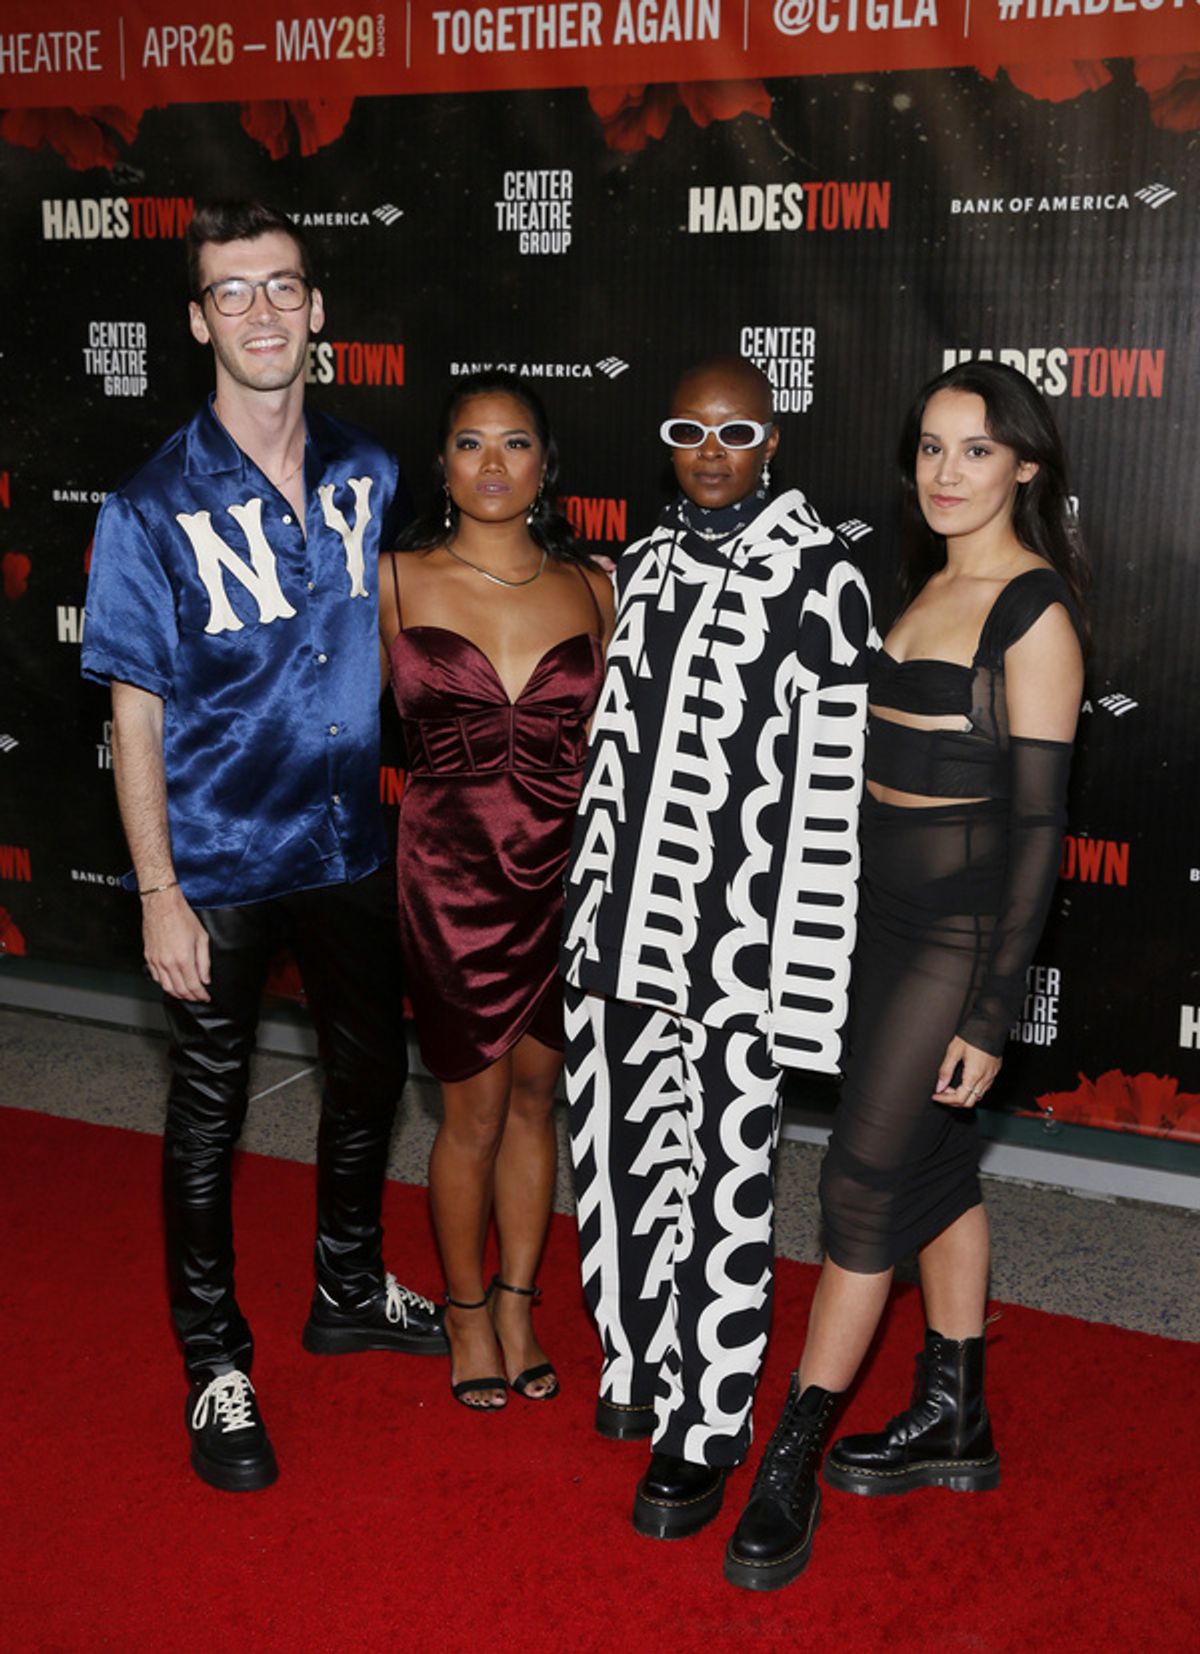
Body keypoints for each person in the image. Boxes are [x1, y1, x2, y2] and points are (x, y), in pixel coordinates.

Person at [81, 200, 445, 1495]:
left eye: (281, 288)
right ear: (197, 322)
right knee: (209, 1110)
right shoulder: (144, 509)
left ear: (318, 309)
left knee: (372, 1073)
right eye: (232, 295)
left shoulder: (370, 471)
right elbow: (134, 713)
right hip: (219, 859)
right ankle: (212, 1359)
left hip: (348, 842)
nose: (262, 314)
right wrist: (160, 892)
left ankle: (347, 1283)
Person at [723, 360, 1088, 1590]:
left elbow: (1039, 834)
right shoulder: (926, 584)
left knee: (861, 1194)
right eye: (930, 448)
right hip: (875, 928)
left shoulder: (1032, 615)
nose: (945, 472)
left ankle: (789, 1457)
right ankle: (957, 1416)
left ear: (1024, 466)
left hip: (954, 946)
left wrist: (991, 1007)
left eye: (975, 452)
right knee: (935, 1170)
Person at [562, 356, 875, 1536]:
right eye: (687, 428)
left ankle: (712, 1417)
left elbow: (834, 797)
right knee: (618, 1165)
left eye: (734, 429)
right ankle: (639, 1364)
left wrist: (800, 986)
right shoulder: (638, 565)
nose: (709, 448)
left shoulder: (820, 575)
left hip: (733, 949)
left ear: (772, 439)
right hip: (611, 931)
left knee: (727, 1190)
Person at [381, 371, 613, 1410]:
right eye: (469, 443)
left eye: (513, 444)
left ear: (546, 464)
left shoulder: (596, 587)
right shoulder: (389, 580)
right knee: (469, 1108)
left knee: (537, 1099)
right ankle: (464, 1310)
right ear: (442, 462)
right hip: (450, 878)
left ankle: (520, 1302)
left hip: (566, 877)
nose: (490, 464)